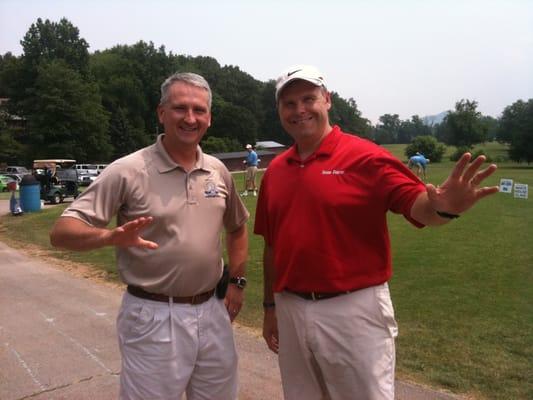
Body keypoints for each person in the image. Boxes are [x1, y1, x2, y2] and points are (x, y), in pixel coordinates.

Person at [254, 65, 498, 400]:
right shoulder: (276, 171)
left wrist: (445, 207)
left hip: (353, 310)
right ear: (280, 111)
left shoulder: (364, 156)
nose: (299, 110)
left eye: (308, 99)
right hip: (290, 307)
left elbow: (419, 207)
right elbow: (272, 246)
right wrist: (270, 307)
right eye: (289, 103)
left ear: (327, 100)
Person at [50, 72, 249, 400]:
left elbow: (238, 227)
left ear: (209, 118)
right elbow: (62, 233)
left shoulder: (217, 169)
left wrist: (238, 283)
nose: (190, 118)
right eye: (179, 108)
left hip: (213, 311)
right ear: (161, 113)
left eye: (199, 110)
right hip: (154, 313)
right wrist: (110, 237)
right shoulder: (128, 170)